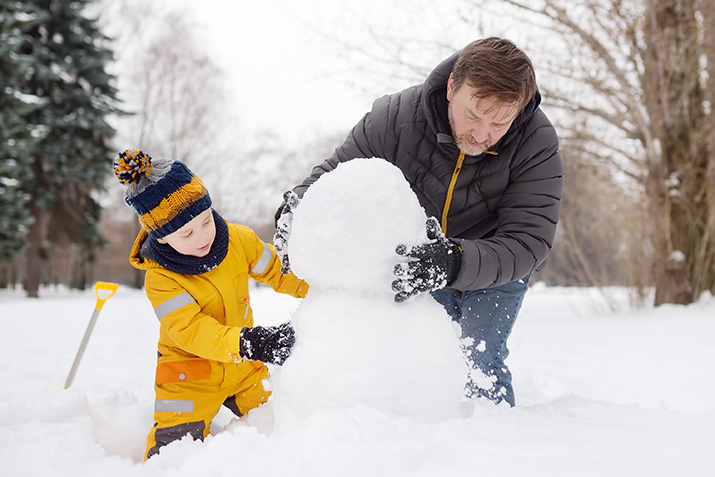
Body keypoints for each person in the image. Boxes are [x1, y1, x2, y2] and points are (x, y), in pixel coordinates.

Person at [275, 37, 563, 407]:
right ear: (451, 87)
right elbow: (334, 175)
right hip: (421, 260)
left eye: (499, 122)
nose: (481, 134)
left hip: (496, 266)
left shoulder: (536, 142)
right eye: (472, 115)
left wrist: (455, 261)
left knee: (479, 362)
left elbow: (529, 242)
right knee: (430, 363)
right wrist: (294, 212)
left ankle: (491, 451)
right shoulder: (396, 118)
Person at [113, 149, 308, 459]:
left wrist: (322, 287)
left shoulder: (238, 240)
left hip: (242, 368)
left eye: (205, 220)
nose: (202, 236)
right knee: (172, 454)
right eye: (186, 233)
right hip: (188, 376)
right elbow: (191, 329)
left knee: (283, 415)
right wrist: (247, 342)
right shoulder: (161, 278)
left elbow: (279, 272)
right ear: (162, 238)